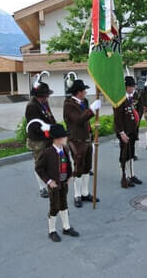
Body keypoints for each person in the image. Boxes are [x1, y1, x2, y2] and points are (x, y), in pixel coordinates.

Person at [36, 124, 79, 242]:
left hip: (63, 183)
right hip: (54, 185)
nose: (66, 139)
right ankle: (52, 231)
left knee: (64, 205)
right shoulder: (47, 153)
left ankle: (66, 227)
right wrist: (49, 181)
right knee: (54, 207)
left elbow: (68, 164)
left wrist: (70, 175)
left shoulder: (64, 149)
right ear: (58, 139)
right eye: (65, 137)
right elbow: (39, 168)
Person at [64, 79, 101, 208]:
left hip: (86, 139)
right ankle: (77, 195)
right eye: (84, 90)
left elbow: (85, 121)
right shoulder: (68, 105)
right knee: (78, 169)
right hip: (76, 141)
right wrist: (91, 109)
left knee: (87, 168)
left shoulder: (83, 102)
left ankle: (85, 193)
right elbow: (79, 120)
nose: (85, 92)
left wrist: (93, 125)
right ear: (78, 92)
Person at [25, 79, 56, 198]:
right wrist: (49, 131)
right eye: (45, 95)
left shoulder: (44, 103)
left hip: (47, 137)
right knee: (39, 163)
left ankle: (48, 182)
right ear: (39, 96)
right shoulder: (32, 106)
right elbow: (35, 127)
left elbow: (50, 116)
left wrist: (55, 128)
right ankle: (42, 188)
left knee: (47, 162)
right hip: (38, 140)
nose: (47, 98)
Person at [114, 76, 143, 188]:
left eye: (133, 86)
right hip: (124, 132)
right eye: (131, 86)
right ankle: (124, 175)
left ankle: (131, 174)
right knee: (124, 154)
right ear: (126, 87)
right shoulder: (120, 99)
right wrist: (121, 132)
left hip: (132, 131)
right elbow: (117, 118)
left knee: (131, 154)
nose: (133, 88)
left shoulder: (130, 98)